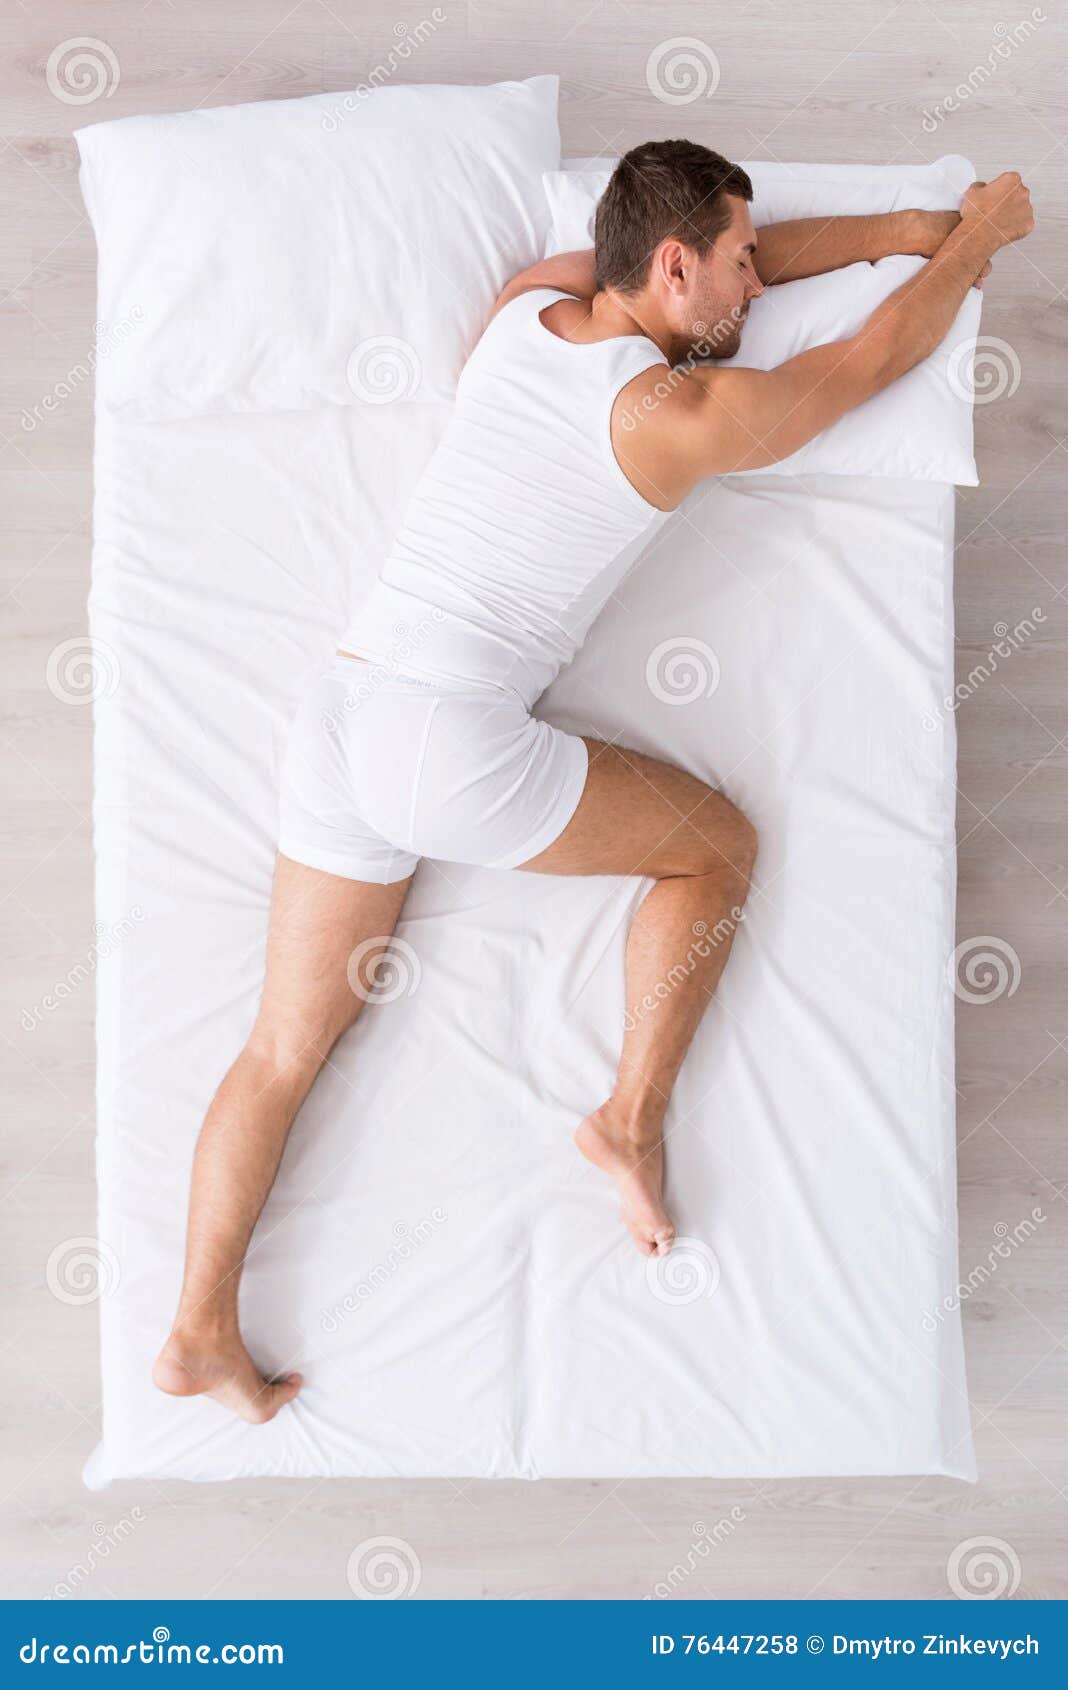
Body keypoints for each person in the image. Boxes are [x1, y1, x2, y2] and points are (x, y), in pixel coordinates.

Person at [153, 140, 1033, 1423]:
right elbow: (864, 365)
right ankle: (628, 1116)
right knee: (717, 846)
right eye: (737, 262)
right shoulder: (669, 417)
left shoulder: (533, 306)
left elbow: (739, 275)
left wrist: (899, 221)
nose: (756, 284)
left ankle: (195, 1330)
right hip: (445, 742)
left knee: (283, 1045)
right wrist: (974, 242)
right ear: (676, 265)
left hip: (341, 710)